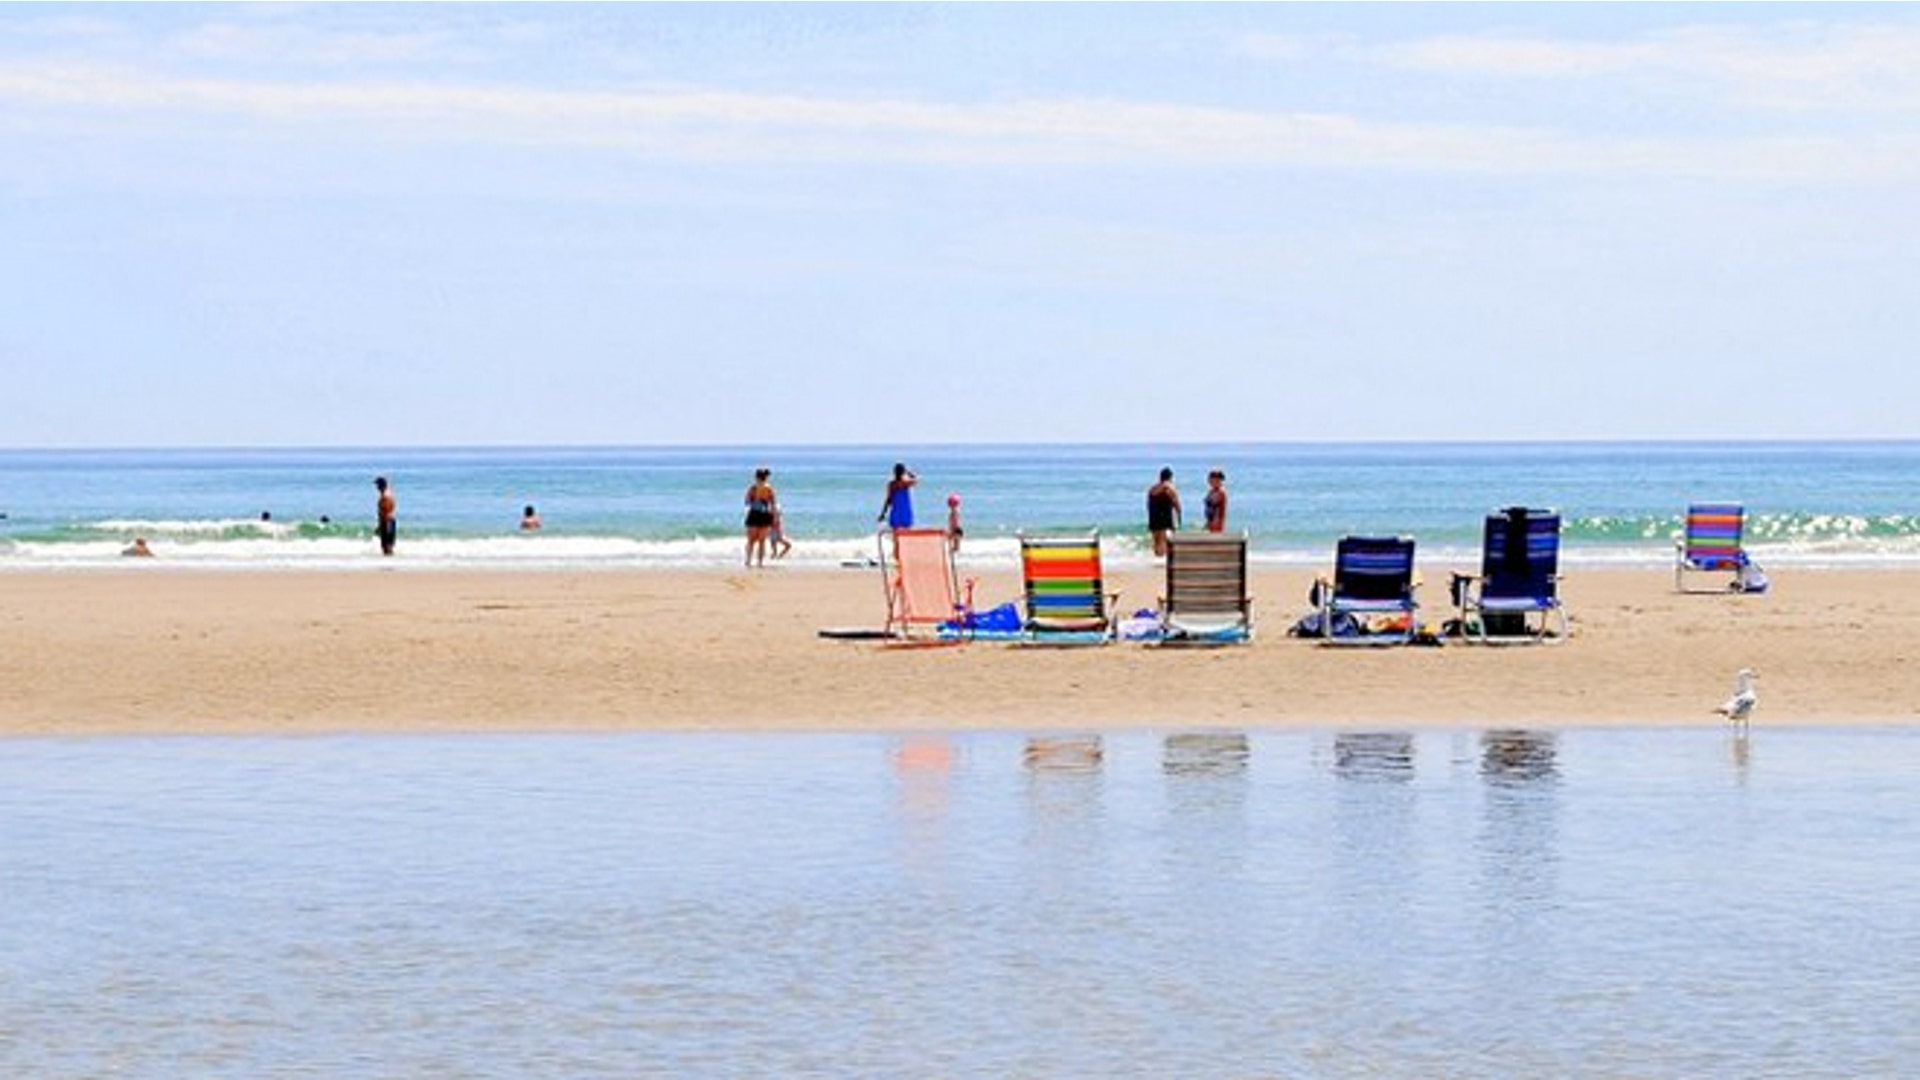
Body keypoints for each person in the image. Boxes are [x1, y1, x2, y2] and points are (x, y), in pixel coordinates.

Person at [743, 467, 778, 567]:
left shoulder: (753, 488)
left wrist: (755, 501)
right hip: (765, 514)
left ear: (756, 477)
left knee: (751, 540)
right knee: (762, 541)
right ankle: (760, 562)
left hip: (754, 514)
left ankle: (748, 561)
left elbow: (746, 501)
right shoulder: (769, 488)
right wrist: (774, 517)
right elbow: (773, 504)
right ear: (766, 477)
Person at [1146, 467, 1181, 557]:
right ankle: (1164, 561)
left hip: (1154, 518)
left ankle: (1157, 559)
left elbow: (1148, 504)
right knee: (1165, 541)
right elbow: (1176, 503)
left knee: (1156, 541)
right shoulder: (1169, 487)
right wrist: (1179, 516)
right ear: (1170, 477)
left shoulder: (1152, 488)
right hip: (1165, 518)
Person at [878, 463, 917, 531]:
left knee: (896, 535)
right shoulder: (906, 484)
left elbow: (888, 500)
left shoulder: (891, 485)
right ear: (903, 472)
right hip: (906, 515)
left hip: (895, 515)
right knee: (906, 535)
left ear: (894, 472)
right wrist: (908, 472)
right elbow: (915, 479)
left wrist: (883, 514)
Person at [373, 476, 397, 557]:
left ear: (381, 486)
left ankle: (388, 565)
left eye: (378, 485)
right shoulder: (388, 494)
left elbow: (385, 512)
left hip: (387, 521)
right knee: (388, 545)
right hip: (389, 521)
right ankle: (389, 563)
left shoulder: (385, 497)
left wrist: (380, 525)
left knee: (386, 545)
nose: (377, 487)